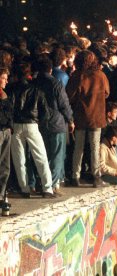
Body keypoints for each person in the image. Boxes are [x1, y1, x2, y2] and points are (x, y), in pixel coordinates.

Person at [9, 61, 55, 198]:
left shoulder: (11, 89)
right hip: (32, 125)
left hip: (16, 126)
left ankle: (25, 189)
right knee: (41, 157)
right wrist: (40, 122)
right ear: (29, 74)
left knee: (19, 160)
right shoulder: (36, 90)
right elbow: (45, 112)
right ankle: (47, 188)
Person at [66, 50, 110, 187]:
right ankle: (96, 177)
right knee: (94, 147)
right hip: (96, 116)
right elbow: (107, 93)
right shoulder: (101, 75)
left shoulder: (77, 75)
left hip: (80, 115)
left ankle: (75, 176)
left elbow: (69, 95)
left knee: (78, 147)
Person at [36, 55, 74, 196]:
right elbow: (64, 104)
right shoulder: (55, 84)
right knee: (57, 155)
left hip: (40, 123)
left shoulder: (34, 83)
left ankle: (42, 183)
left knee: (43, 155)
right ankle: (51, 185)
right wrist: (70, 120)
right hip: (57, 123)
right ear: (50, 69)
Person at [0, 67, 12, 207]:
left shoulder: (5, 95)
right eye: (3, 78)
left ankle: (1, 195)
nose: (6, 81)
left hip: (6, 131)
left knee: (5, 166)